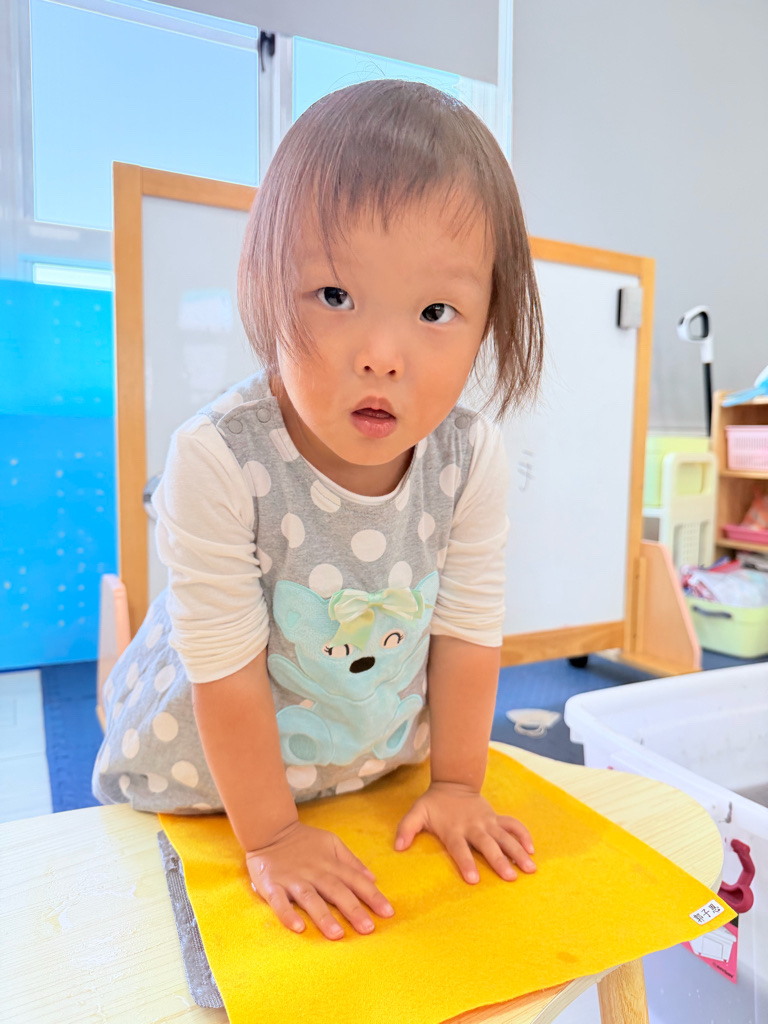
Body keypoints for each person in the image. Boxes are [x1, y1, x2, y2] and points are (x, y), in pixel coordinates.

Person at [93, 78, 545, 942]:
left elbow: (468, 630)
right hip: (214, 786)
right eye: (335, 297)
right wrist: (272, 839)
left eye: (436, 311)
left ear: (488, 321)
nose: (381, 355)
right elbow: (226, 672)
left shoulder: (469, 456)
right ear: (266, 285)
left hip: (370, 767)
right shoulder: (219, 457)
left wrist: (457, 785)